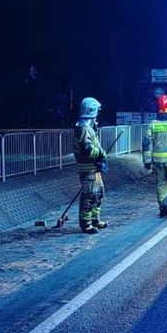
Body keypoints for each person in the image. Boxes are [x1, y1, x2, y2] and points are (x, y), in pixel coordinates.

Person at [73, 96, 108, 234]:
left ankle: (95, 219)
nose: (97, 114)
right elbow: (85, 149)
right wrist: (100, 153)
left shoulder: (88, 127)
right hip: (87, 168)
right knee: (89, 195)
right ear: (91, 110)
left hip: (94, 167)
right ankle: (85, 224)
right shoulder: (83, 128)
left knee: (98, 193)